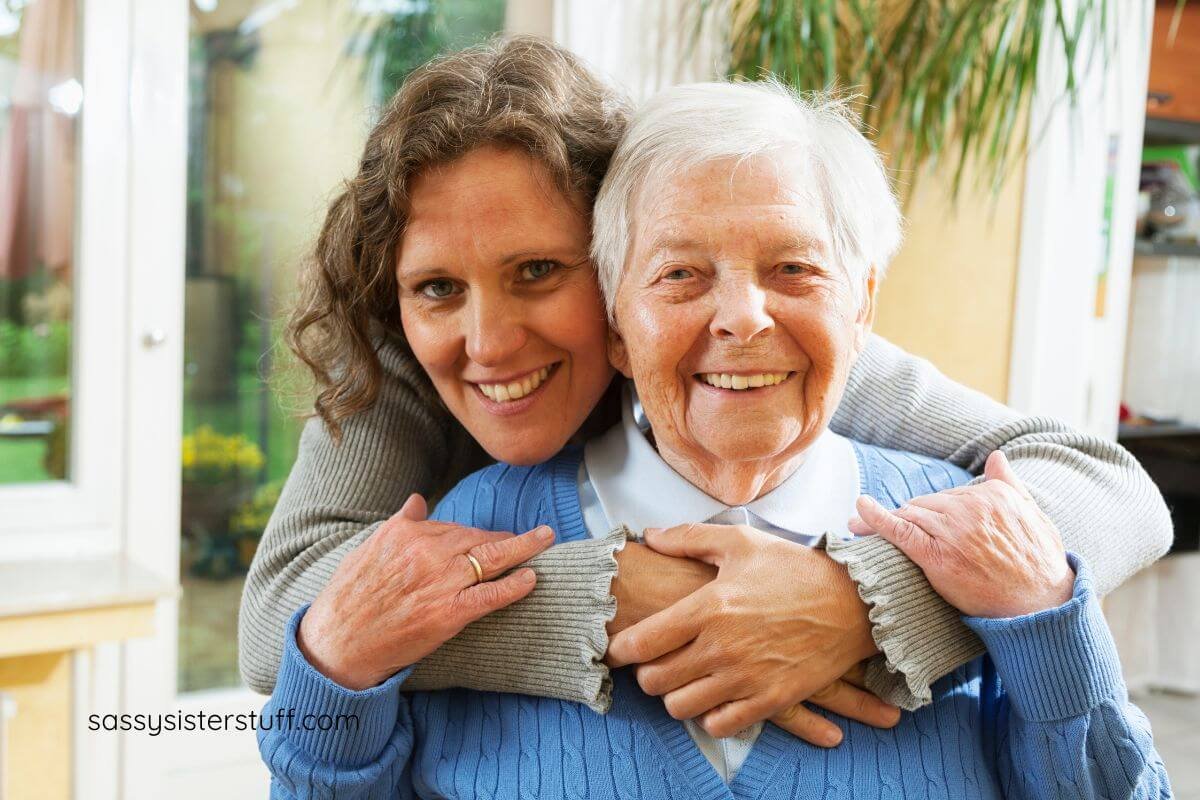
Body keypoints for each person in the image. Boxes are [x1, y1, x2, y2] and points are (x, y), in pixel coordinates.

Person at [239, 36, 1172, 748]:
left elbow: (1111, 489)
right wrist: (607, 601)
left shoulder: (749, 349)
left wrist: (858, 604)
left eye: (536, 270)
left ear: (620, 274)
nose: (487, 340)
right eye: (438, 287)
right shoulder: (398, 367)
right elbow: (279, 622)